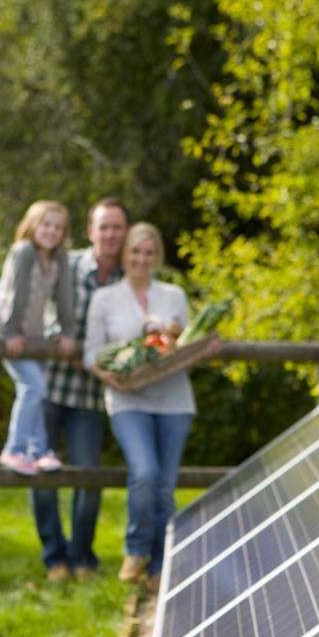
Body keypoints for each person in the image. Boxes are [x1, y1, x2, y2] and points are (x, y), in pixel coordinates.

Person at [85, 222, 201, 594]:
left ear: (157, 257)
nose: (141, 258)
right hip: (127, 399)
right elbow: (91, 354)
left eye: (149, 252)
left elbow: (185, 346)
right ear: (125, 255)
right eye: (136, 251)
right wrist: (109, 375)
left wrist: (173, 341)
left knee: (165, 487)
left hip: (174, 401)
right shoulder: (105, 299)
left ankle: (162, 567)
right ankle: (136, 549)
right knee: (145, 473)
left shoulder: (174, 296)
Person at [31, 198, 128, 582]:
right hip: (51, 385)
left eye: (117, 227)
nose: (110, 234)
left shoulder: (128, 277)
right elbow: (39, 307)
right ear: (91, 232)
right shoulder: (67, 265)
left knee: (88, 477)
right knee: (41, 475)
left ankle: (81, 556)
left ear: (125, 232)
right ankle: (54, 558)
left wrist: (89, 352)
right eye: (103, 227)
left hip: (90, 396)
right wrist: (62, 339)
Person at [0, 200, 77, 476]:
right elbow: (14, 294)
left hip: (33, 337)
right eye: (46, 224)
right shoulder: (23, 252)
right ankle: (14, 449)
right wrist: (10, 332)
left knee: (38, 389)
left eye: (58, 227)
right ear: (33, 225)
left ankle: (38, 451)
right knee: (33, 387)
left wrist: (67, 331)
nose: (52, 231)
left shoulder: (59, 259)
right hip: (7, 333)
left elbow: (64, 299)